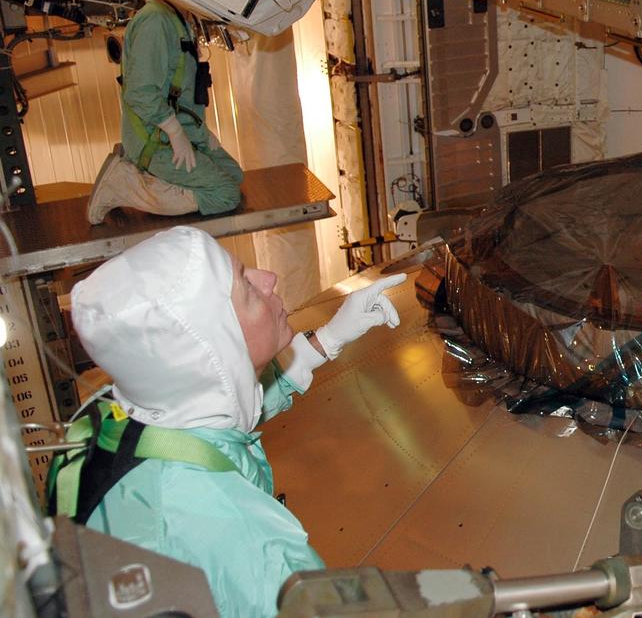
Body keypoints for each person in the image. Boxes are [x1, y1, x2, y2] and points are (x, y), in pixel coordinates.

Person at [47, 226, 407, 615]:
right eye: (246, 287)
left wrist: (328, 339)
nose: (268, 278)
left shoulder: (110, 414)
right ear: (217, 345)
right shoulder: (233, 532)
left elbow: (220, 408)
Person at [87, 0, 245, 224]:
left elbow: (180, 91)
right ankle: (122, 184)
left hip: (181, 130)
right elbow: (140, 93)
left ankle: (152, 178)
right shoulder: (156, 21)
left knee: (234, 176)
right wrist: (174, 131)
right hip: (155, 139)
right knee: (224, 194)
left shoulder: (178, 19)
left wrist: (201, 133)